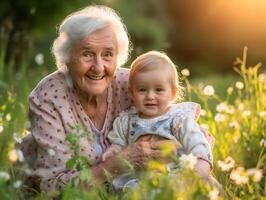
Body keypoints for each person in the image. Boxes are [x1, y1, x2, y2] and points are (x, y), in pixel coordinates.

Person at [17, 5, 214, 192]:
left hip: (133, 182)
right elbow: (49, 187)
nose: (98, 67)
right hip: (61, 187)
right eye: (87, 54)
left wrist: (197, 147)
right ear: (67, 58)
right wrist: (116, 163)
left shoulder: (132, 83)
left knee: (206, 187)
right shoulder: (49, 98)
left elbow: (170, 121)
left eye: (108, 54)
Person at [101, 51, 213, 189]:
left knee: (210, 187)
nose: (150, 96)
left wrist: (201, 167)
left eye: (158, 90)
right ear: (131, 93)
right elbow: (119, 143)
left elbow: (198, 144)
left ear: (172, 93)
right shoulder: (125, 121)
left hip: (175, 176)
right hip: (139, 179)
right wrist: (113, 152)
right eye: (142, 90)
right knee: (132, 191)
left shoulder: (179, 120)